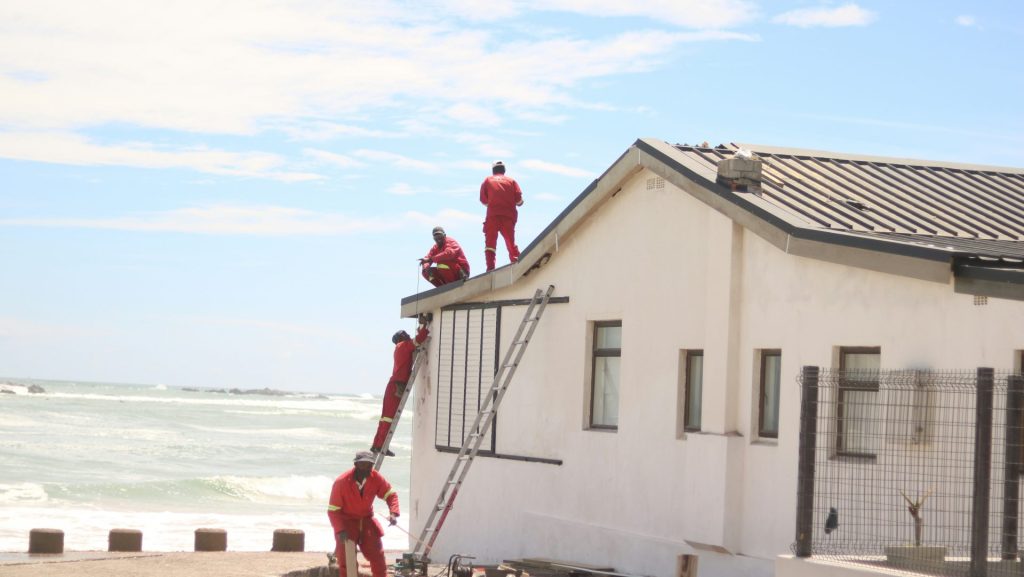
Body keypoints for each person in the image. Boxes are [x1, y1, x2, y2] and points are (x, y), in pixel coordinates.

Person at [327, 451, 400, 577]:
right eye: (363, 464)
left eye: (369, 465)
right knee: (347, 561)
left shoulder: (375, 477)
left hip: (367, 521)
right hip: (346, 523)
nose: (366, 468)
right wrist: (340, 530)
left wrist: (393, 513)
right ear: (356, 464)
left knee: (378, 556)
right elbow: (333, 511)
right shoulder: (341, 482)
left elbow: (390, 494)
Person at [371, 314, 430, 454]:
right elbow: (419, 340)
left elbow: (415, 342)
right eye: (406, 334)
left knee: (386, 417)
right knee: (388, 417)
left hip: (395, 385)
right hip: (396, 386)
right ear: (402, 337)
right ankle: (379, 445)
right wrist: (426, 326)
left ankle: (377, 445)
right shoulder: (402, 346)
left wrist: (421, 327)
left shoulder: (401, 347)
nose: (408, 335)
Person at [480, 160, 524, 271]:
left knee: (490, 243)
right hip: (508, 217)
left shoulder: (487, 180)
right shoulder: (512, 181)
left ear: (493, 170)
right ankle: (517, 263)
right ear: (504, 170)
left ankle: (490, 268)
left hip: (492, 216)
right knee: (510, 242)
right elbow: (519, 201)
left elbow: (483, 200)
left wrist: (493, 204)